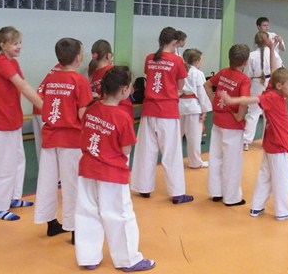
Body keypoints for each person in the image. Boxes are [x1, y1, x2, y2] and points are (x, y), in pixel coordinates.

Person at [75, 66, 155, 272]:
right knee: (120, 214)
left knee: (87, 212)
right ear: (124, 89)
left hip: (87, 168)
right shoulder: (122, 116)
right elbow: (126, 148)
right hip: (111, 172)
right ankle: (128, 259)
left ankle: (88, 257)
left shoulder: (92, 108)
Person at [220, 62, 288, 221]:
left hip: (271, 144)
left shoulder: (273, 91)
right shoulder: (272, 97)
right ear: (279, 85)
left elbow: (274, 71)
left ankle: (257, 206)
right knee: (284, 179)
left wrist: (271, 49)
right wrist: (231, 100)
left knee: (265, 176)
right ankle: (282, 211)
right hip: (278, 144)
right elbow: (251, 99)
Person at [34, 38, 92, 241]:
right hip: (71, 139)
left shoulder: (51, 78)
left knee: (47, 181)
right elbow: (82, 113)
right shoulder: (79, 81)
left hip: (50, 136)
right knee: (72, 184)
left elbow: (41, 99)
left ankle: (50, 223)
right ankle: (75, 230)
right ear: (78, 57)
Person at [0, 26, 43, 221]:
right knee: (2, 165)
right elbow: (23, 86)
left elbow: (24, 85)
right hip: (1, 123)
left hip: (13, 120)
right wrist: (44, 107)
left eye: (20, 42)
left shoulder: (13, 62)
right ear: (3, 45)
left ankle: (13, 197)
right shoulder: (1, 61)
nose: (19, 46)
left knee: (18, 160)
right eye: (15, 43)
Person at [130, 27, 192, 204]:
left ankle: (143, 187)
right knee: (171, 152)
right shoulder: (176, 60)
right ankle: (177, 193)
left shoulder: (150, 58)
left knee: (146, 150)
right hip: (167, 111)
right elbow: (180, 86)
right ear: (175, 42)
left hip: (149, 110)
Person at [204, 44, 252, 206]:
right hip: (232, 124)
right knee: (232, 162)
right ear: (245, 62)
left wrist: (214, 102)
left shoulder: (224, 72)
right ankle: (232, 197)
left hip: (218, 120)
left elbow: (207, 85)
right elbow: (244, 101)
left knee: (216, 156)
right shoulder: (244, 79)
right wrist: (239, 116)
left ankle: (216, 191)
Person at [180, 48, 212, 169]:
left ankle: (174, 161)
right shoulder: (198, 74)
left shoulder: (179, 71)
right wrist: (205, 110)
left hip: (179, 106)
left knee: (176, 137)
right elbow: (202, 93)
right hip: (193, 107)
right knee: (194, 137)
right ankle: (195, 162)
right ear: (197, 61)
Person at [88, 39, 134, 119]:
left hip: (105, 113)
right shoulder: (114, 70)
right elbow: (131, 90)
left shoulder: (92, 74)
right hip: (122, 110)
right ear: (108, 55)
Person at [243, 31, 272, 151]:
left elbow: (247, 74)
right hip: (269, 83)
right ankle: (268, 141)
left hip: (256, 83)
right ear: (267, 41)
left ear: (255, 42)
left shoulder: (251, 55)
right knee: (268, 114)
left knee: (253, 113)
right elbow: (279, 68)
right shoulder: (272, 53)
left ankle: (246, 141)